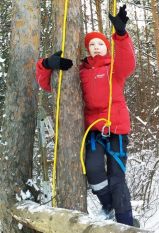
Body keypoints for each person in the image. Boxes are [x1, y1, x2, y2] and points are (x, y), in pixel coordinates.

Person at [35, 5, 136, 226]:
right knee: (93, 171)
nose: (97, 47)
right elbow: (47, 85)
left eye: (100, 44)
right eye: (92, 44)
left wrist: (120, 35)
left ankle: (127, 222)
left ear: (106, 48)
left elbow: (129, 62)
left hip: (117, 130)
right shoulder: (80, 71)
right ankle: (108, 205)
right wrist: (46, 65)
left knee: (117, 178)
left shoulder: (114, 68)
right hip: (93, 131)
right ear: (87, 49)